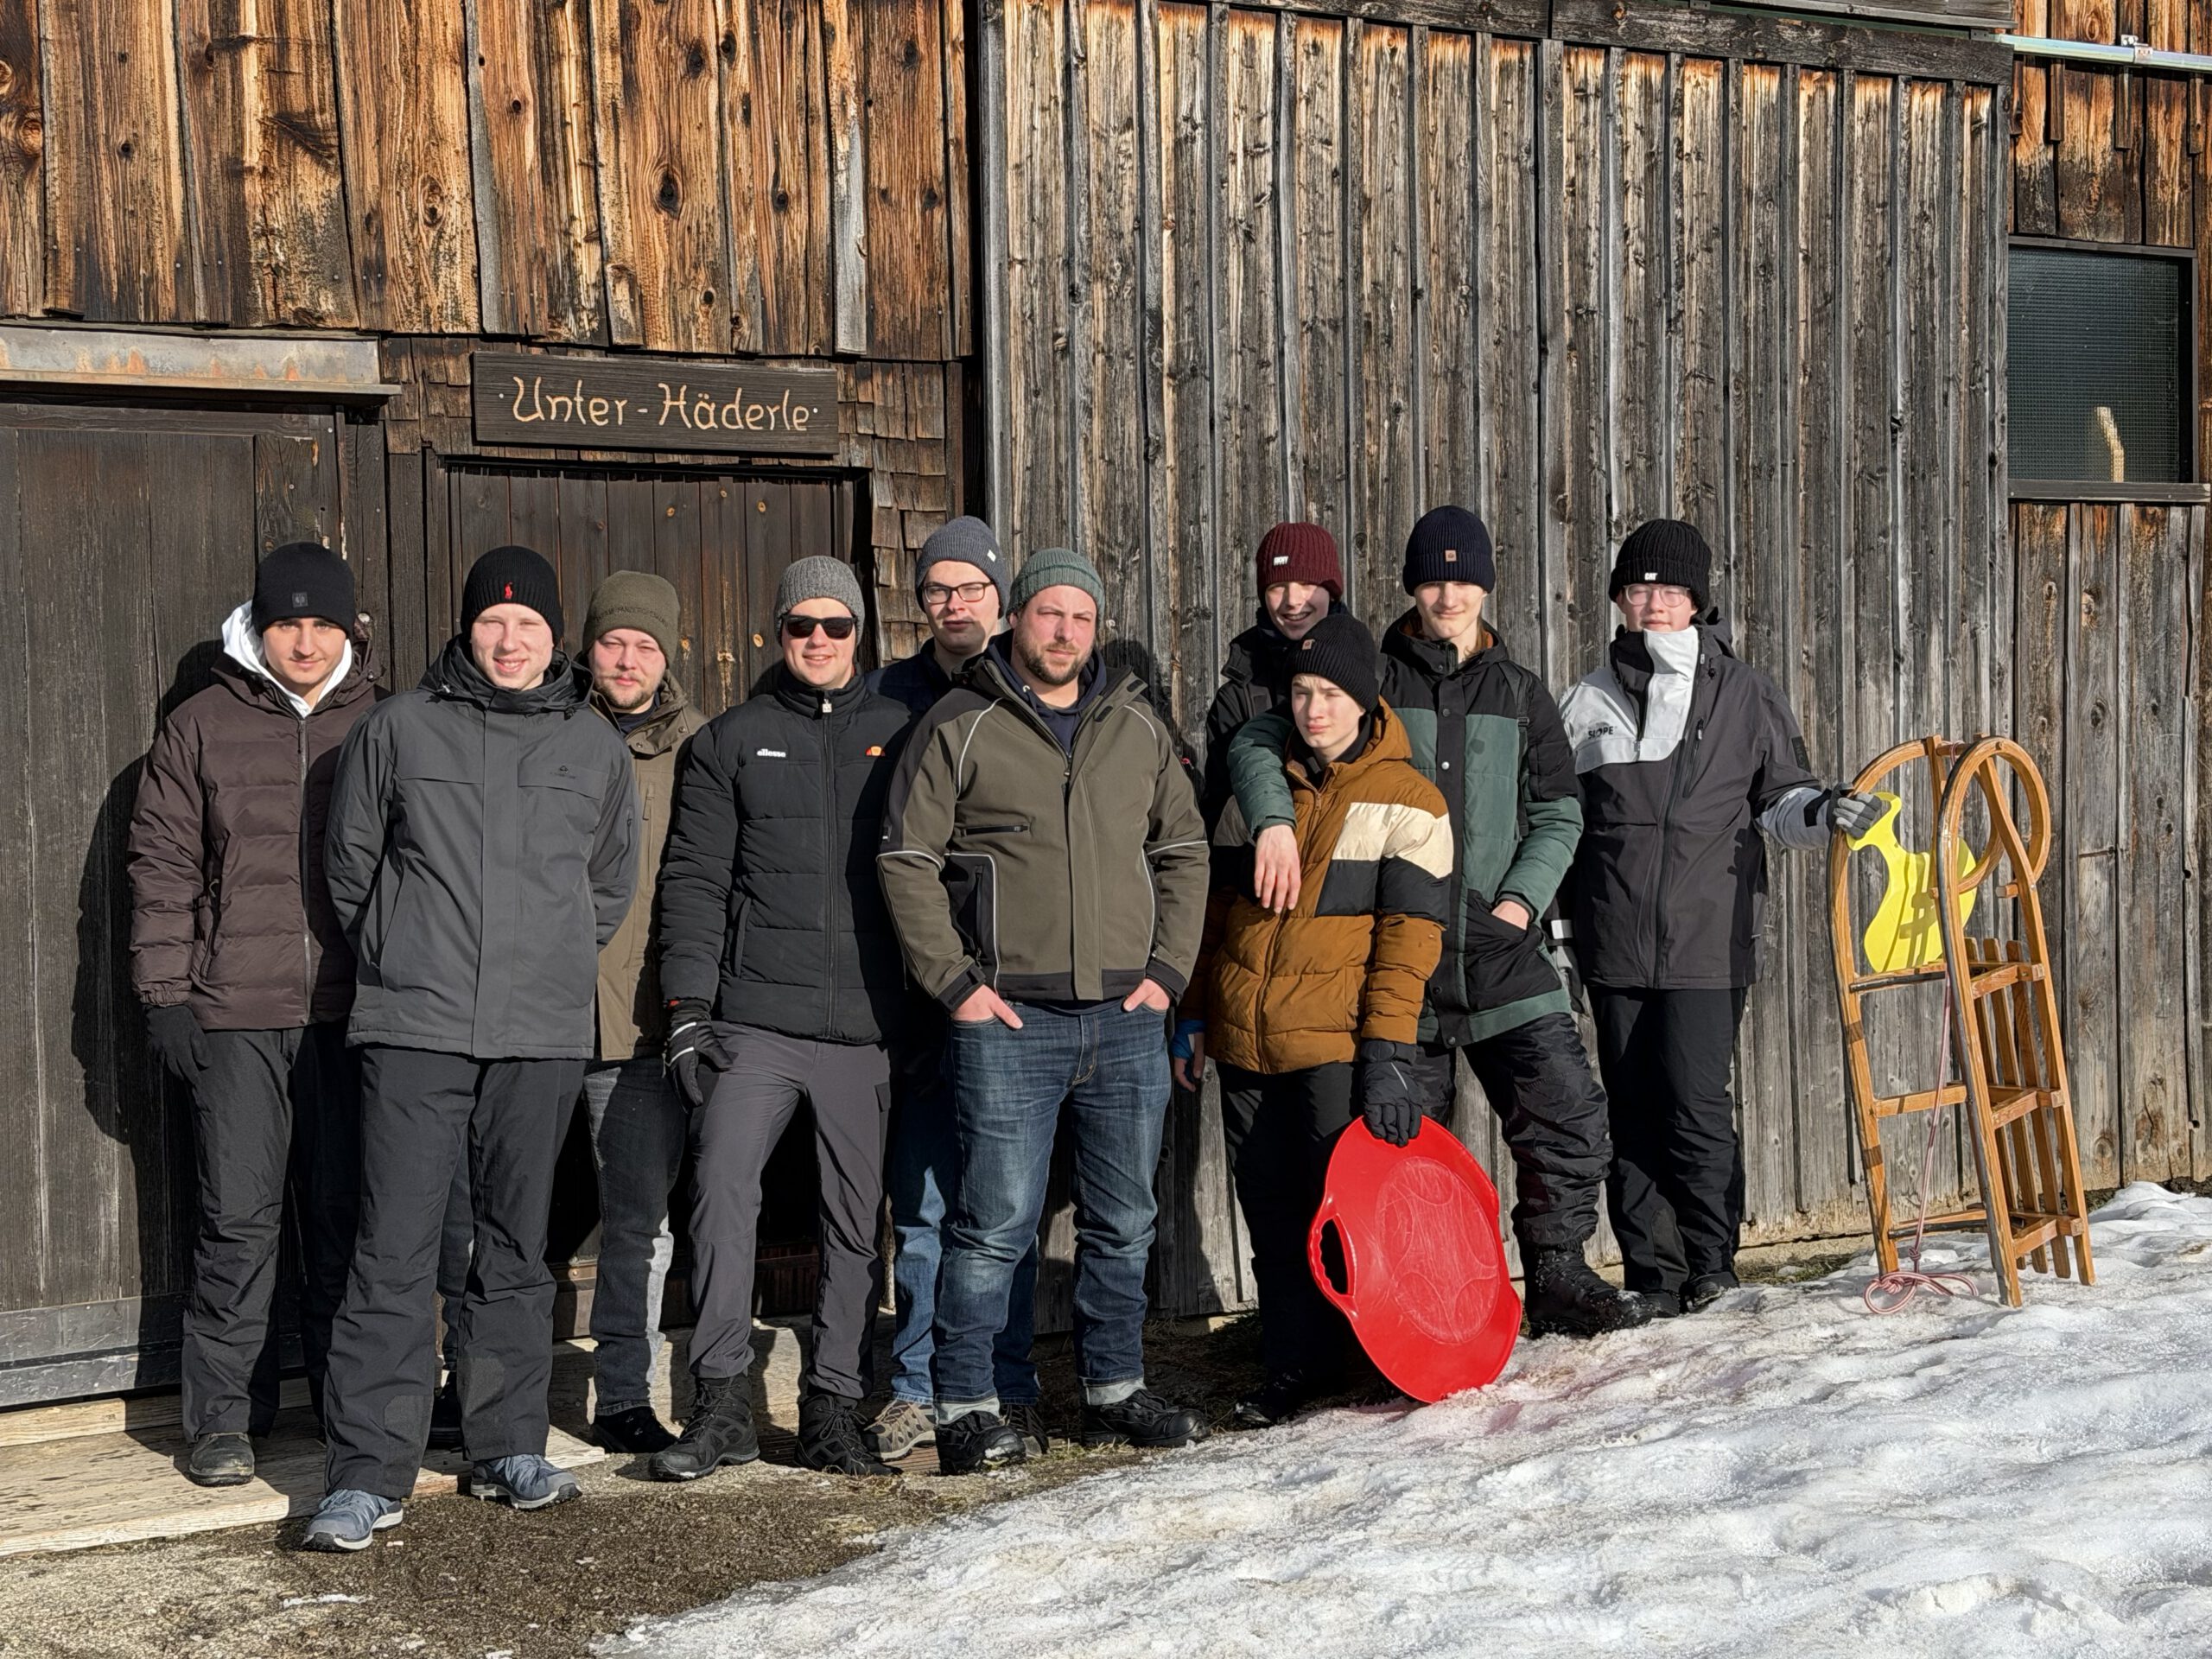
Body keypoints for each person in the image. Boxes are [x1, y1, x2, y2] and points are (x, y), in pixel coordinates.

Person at [1227, 505, 1650, 1339]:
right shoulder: (1370, 676)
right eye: (1433, 577)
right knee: (1395, 1148)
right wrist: (1273, 817)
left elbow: (1560, 809)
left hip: (1498, 946)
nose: (1448, 593)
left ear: (1486, 586)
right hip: (1398, 954)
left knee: (1566, 1108)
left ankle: (1558, 1271)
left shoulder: (1522, 693)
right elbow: (1260, 739)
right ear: (1412, 587)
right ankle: (1423, 1300)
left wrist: (1521, 901)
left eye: (1463, 578)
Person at [306, 545, 639, 1551]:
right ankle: (368, 1472)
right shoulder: (400, 728)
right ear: (467, 628)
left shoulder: (592, 746)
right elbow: (351, 867)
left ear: (555, 638)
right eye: (493, 622)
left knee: (514, 1248)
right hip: (416, 1026)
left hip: (538, 1038)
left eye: (528, 625)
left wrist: (541, 966)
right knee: (395, 1250)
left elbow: (608, 888)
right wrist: (411, 954)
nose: (509, 639)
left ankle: (505, 1444)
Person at [878, 545, 1212, 1475]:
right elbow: (905, 859)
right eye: (1046, 613)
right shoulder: (960, 724)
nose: (1062, 631)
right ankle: (969, 1404)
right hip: (1009, 1021)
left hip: (1126, 1018)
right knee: (994, 1222)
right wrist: (958, 985)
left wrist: (1166, 973)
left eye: (1079, 616)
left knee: (1124, 1219)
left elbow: (1184, 847)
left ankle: (1112, 1389)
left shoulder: (1135, 726)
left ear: (1094, 628)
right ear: (1014, 620)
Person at [1560, 519, 1881, 1316]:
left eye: (1670, 590)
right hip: (1614, 940)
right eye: (1638, 590)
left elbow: (1780, 798)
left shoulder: (1743, 693)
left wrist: (1826, 812)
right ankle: (1651, 1276)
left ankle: (1711, 1265)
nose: (1654, 604)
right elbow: (1561, 823)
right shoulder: (1585, 700)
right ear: (1619, 601)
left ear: (1698, 601)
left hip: (1707, 936)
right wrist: (1559, 933)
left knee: (1696, 1103)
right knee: (1630, 1111)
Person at [126, 542, 382, 1488]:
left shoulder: (389, 724)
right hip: (235, 1012)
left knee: (343, 1212)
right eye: (287, 623)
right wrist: (165, 998)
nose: (304, 641)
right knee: (238, 1220)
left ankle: (345, 1399)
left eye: (321, 624)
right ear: (260, 627)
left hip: (354, 1014)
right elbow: (161, 868)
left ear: (349, 629)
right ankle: (225, 1420)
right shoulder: (199, 726)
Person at [652, 556, 912, 1481]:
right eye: (800, 625)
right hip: (755, 1020)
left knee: (854, 1224)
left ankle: (832, 1408)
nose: (817, 640)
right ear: (777, 632)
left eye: (834, 626)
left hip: (868, 1030)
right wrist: (688, 1011)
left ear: (858, 634)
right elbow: (692, 881)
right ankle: (719, 1403)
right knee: (721, 1196)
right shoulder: (730, 741)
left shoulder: (904, 733)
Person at [1175, 613, 1451, 1427]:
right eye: (1301, 691)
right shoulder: (1256, 799)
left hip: (1335, 1043)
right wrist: (1196, 1014)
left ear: (1366, 699)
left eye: (1331, 692)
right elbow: (1215, 914)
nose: (1314, 708)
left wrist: (1389, 1051)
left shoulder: (1412, 802)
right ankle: (1292, 1364)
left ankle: (1374, 1356)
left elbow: (1409, 942)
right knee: (1272, 1212)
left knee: (1348, 1218)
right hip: (1246, 1040)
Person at [861, 516, 1046, 1465]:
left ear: (998, 596)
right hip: (922, 991)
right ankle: (919, 1388)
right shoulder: (885, 697)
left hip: (1017, 991)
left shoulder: (1037, 688)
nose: (954, 604)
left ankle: (1005, 1383)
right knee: (926, 1201)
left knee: (1002, 1203)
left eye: (970, 588)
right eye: (938, 590)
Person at [576, 570, 707, 1450]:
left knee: (636, 1221)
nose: (627, 659)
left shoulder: (700, 747)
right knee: (485, 1218)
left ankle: (625, 1393)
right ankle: (467, 1388)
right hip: (531, 1017)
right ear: (587, 648)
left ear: (668, 658)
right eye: (613, 641)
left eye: (645, 645)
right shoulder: (540, 726)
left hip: (637, 1025)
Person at [1197, 520, 1346, 847]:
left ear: (1332, 592)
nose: (1293, 601)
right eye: (1278, 587)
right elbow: (1218, 819)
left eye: (1307, 583)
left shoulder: (1373, 676)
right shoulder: (1237, 698)